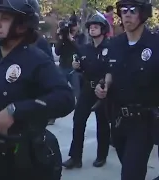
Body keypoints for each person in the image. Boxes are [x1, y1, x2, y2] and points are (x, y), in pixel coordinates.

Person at [0, 0, 75, 179]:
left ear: (22, 26)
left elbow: (66, 98)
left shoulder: (36, 60)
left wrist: (15, 110)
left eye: (5, 18)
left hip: (24, 160)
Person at [95, 0, 157, 179]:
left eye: (132, 10)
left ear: (143, 13)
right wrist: (103, 85)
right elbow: (109, 71)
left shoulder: (155, 43)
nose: (126, 14)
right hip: (118, 120)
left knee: (131, 173)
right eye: (123, 10)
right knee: (129, 166)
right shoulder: (114, 44)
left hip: (144, 121)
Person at [62, 13, 111, 169]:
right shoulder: (85, 48)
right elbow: (82, 67)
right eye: (90, 27)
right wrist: (77, 66)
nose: (92, 29)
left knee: (102, 123)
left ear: (103, 29)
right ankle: (75, 157)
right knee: (78, 120)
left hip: (103, 90)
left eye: (96, 27)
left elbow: (113, 69)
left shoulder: (111, 48)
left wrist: (105, 85)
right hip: (87, 89)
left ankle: (101, 156)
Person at [55, 14, 85, 101]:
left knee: (77, 91)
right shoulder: (63, 36)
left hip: (74, 68)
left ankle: (79, 105)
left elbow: (81, 50)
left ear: (78, 25)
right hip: (63, 66)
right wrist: (61, 39)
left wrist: (71, 39)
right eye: (72, 26)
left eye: (74, 25)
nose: (73, 28)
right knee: (60, 89)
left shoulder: (81, 37)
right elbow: (57, 52)